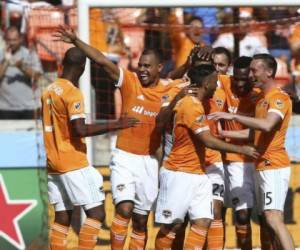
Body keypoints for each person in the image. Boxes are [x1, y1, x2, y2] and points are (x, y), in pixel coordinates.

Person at [55, 26, 187, 250]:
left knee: (140, 220)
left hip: (150, 161)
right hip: (124, 157)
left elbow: (193, 81)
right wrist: (76, 40)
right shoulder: (130, 82)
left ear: (159, 68)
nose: (142, 69)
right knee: (123, 209)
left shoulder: (171, 90)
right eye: (140, 65)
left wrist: (191, 63)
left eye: (147, 66)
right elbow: (102, 60)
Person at [42, 47, 138, 250]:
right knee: (97, 214)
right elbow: (80, 129)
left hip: (53, 162)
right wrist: (116, 124)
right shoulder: (72, 93)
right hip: (72, 161)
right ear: (82, 67)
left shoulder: (49, 89)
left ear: (63, 64)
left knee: (62, 216)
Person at [154, 64, 259, 250]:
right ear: (207, 82)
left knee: (203, 221)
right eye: (215, 81)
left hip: (199, 173)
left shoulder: (197, 103)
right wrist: (243, 150)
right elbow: (208, 140)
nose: (217, 85)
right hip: (179, 172)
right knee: (173, 225)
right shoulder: (189, 105)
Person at [209, 53, 295, 250]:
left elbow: (266, 125)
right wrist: (222, 132)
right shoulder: (262, 99)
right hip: (261, 164)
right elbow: (254, 132)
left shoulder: (279, 98)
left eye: (255, 70)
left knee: (273, 218)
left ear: (269, 72)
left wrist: (231, 115)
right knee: (270, 218)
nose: (250, 75)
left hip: (273, 165)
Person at [216, 56, 259, 250]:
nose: (240, 84)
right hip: (225, 160)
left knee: (251, 216)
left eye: (245, 79)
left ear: (253, 76)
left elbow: (259, 130)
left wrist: (225, 133)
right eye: (236, 79)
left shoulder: (260, 94)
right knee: (223, 214)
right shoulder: (225, 83)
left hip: (251, 160)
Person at [0, 26, 42, 119]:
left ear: (20, 39)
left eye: (14, 40)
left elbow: (37, 77)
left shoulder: (30, 54)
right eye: (8, 40)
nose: (11, 43)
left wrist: (21, 66)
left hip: (28, 108)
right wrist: (5, 61)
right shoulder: (1, 55)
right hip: (6, 109)